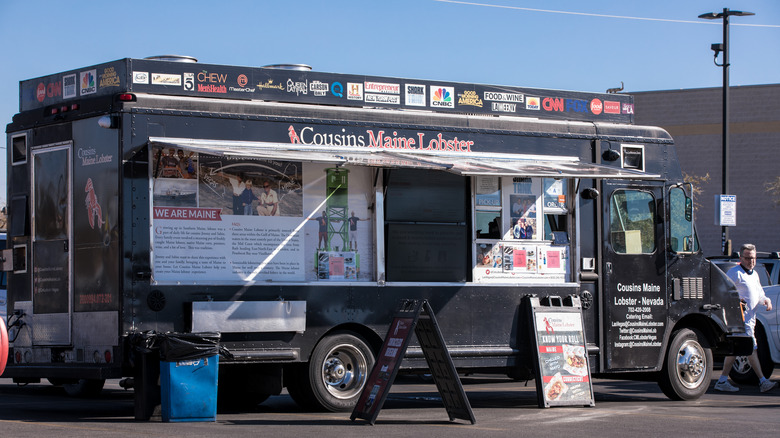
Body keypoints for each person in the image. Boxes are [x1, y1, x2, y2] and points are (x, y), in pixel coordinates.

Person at [714, 243, 778, 393]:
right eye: (748, 258)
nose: (752, 261)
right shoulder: (734, 273)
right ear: (741, 258)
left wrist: (766, 300)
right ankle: (763, 381)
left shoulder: (754, 274)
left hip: (751, 319)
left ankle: (722, 380)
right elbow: (723, 292)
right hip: (740, 320)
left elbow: (759, 293)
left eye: (754, 258)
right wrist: (737, 302)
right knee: (751, 348)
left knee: (737, 350)